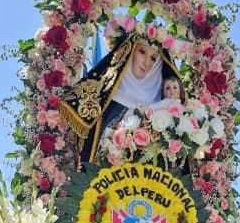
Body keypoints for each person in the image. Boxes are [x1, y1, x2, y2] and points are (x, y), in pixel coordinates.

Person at [58, 34, 182, 163]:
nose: (146, 62)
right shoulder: (103, 96)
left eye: (153, 58)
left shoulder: (161, 108)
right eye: (141, 52)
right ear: (129, 51)